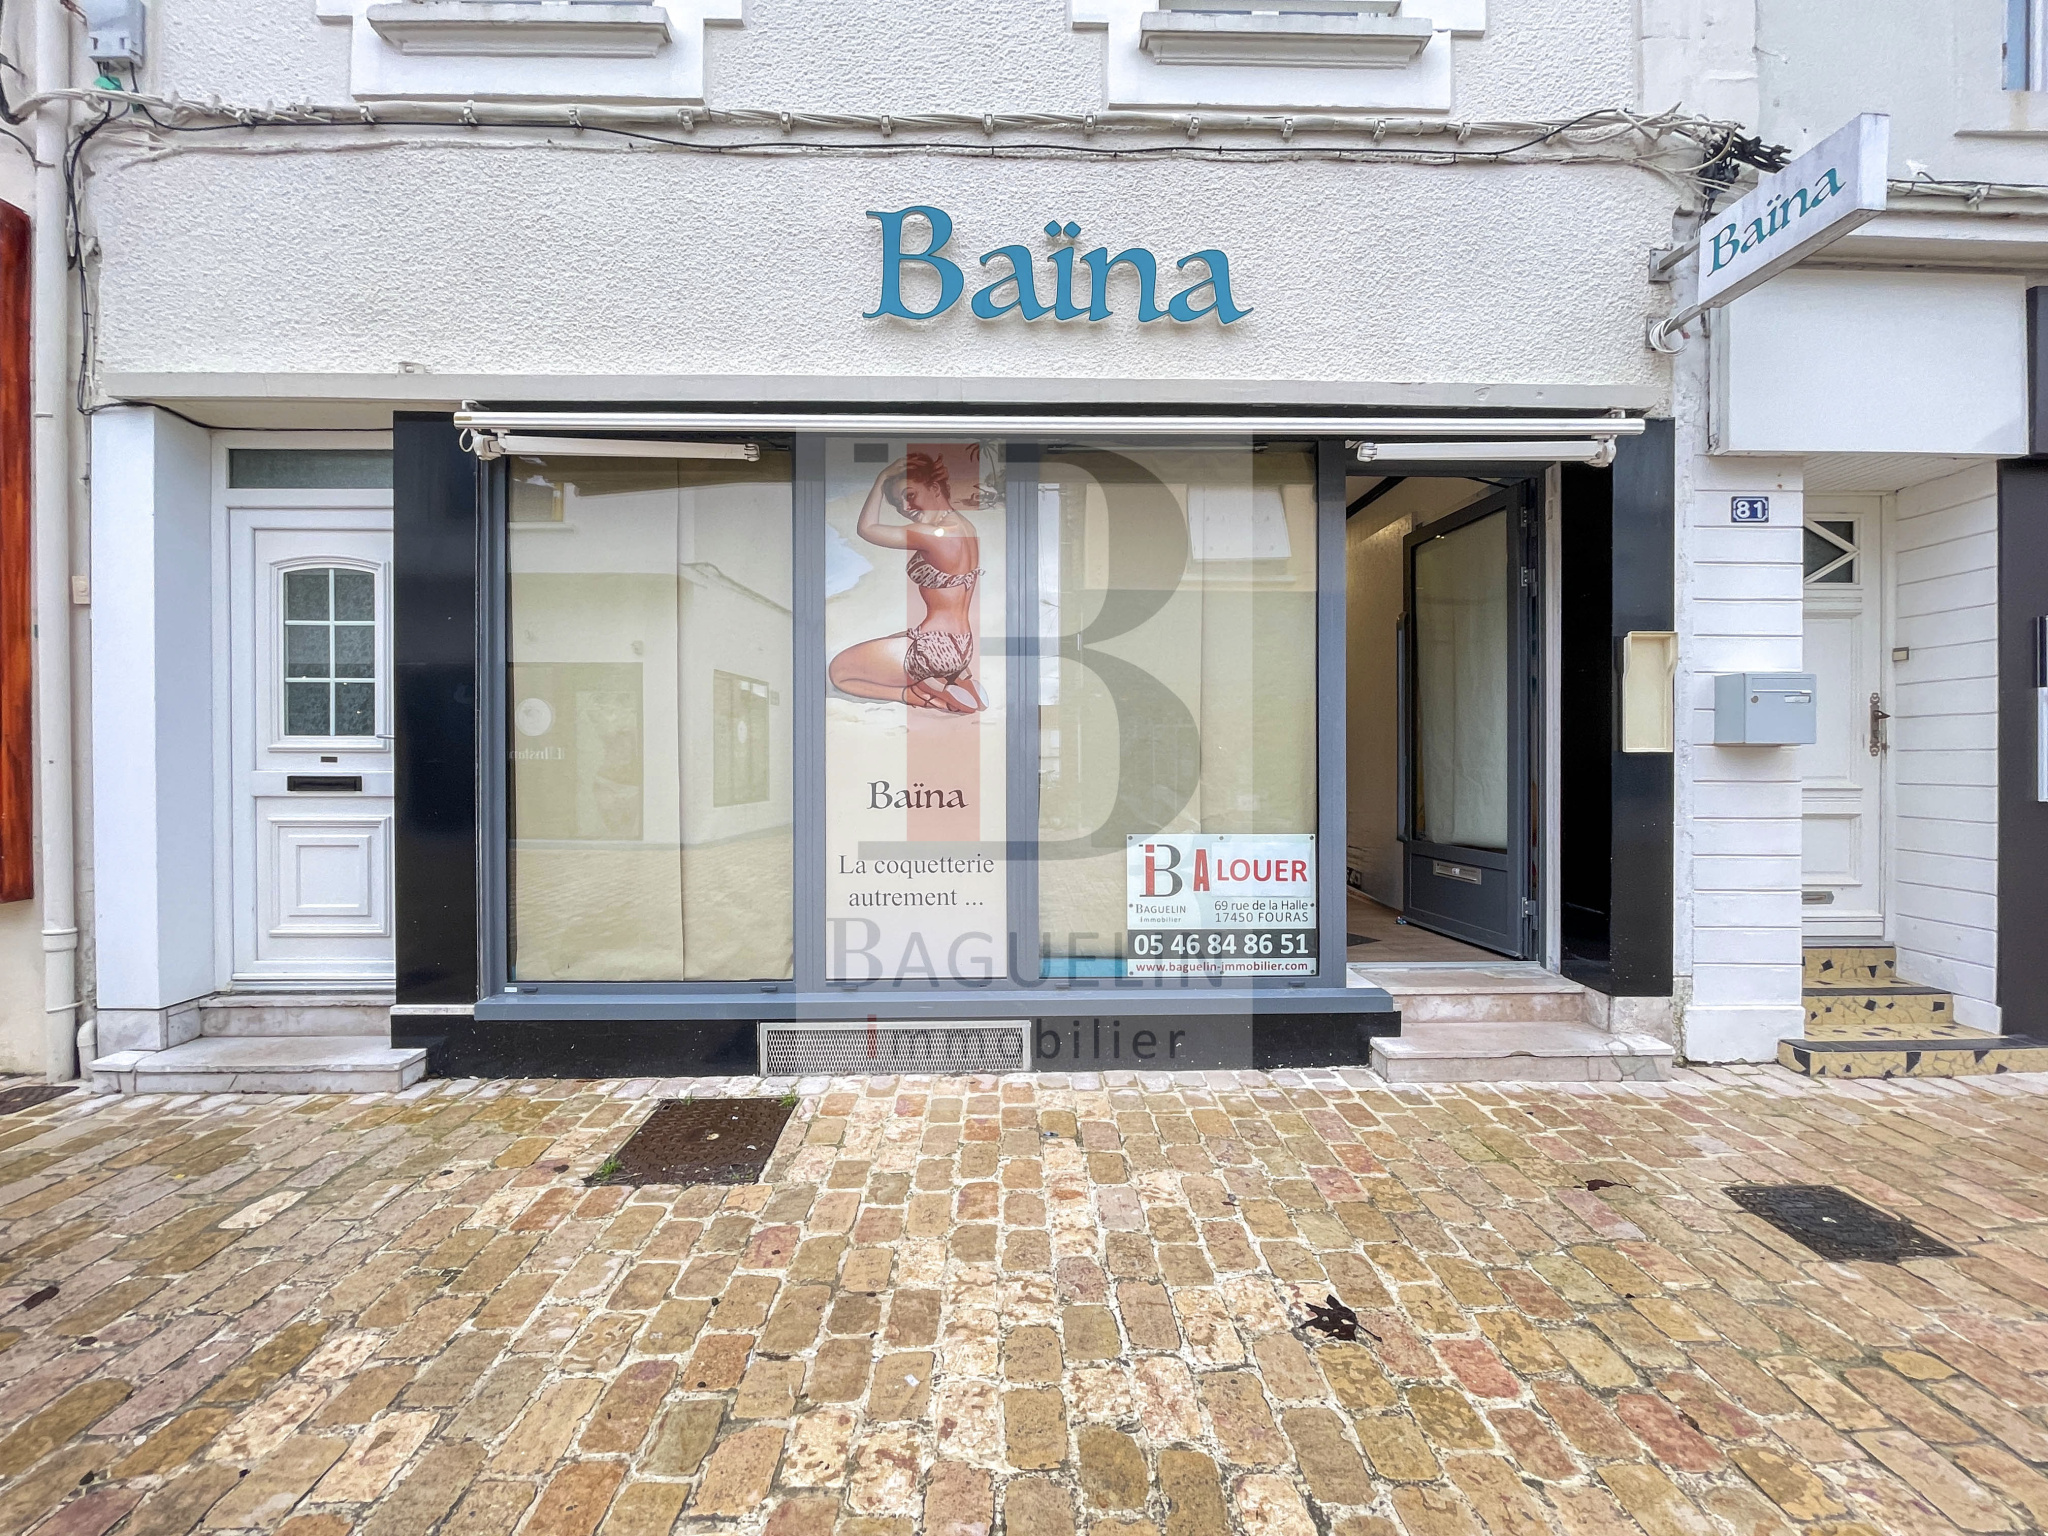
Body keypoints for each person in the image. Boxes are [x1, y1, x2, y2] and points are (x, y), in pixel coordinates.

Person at [828, 449, 986, 713]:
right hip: (961, 646)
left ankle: (919, 693)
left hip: (933, 648)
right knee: (892, 639)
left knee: (839, 672)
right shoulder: (966, 528)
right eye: (896, 504)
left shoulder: (934, 534)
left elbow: (866, 529)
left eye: (909, 495)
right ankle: (958, 680)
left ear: (934, 488)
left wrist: (881, 479)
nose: (905, 508)